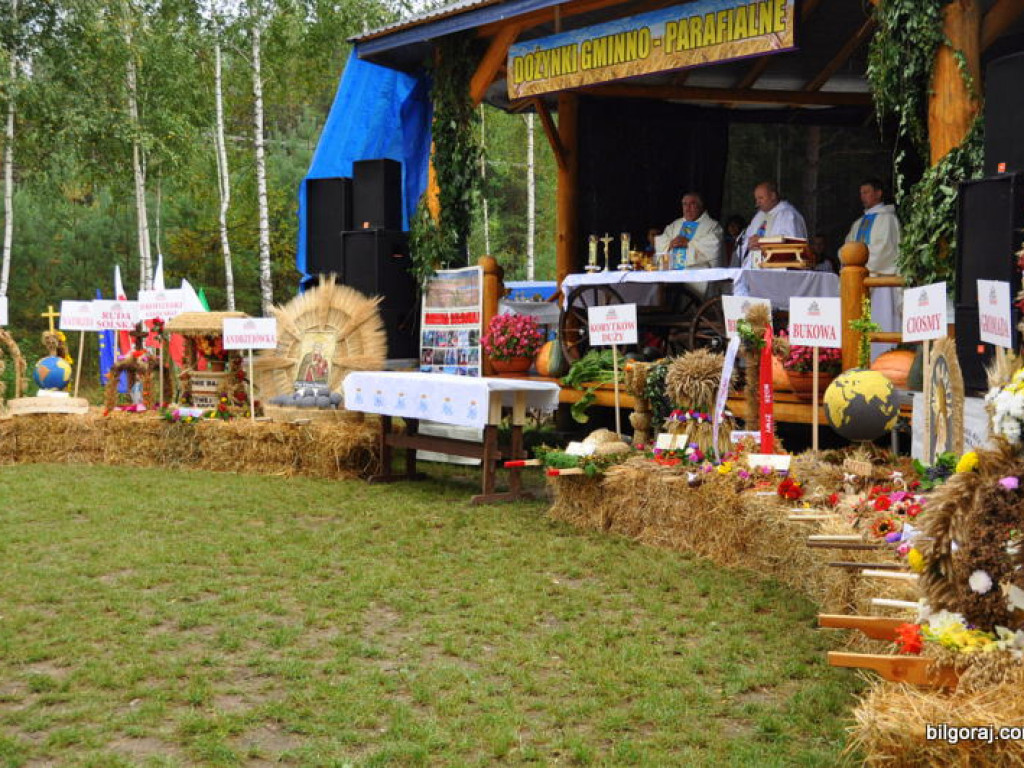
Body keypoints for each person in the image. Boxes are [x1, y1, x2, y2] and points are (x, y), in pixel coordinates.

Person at [844, 178, 901, 358]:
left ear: (878, 193)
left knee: (881, 321)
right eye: (861, 193)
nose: (863, 196)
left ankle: (883, 358)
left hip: (881, 281)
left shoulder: (888, 219)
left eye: (867, 192)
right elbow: (847, 247)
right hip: (859, 282)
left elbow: (886, 249)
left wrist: (862, 267)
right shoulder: (858, 223)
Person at [735, 181, 808, 268]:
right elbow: (745, 241)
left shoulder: (788, 215)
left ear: (773, 196)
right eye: (756, 199)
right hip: (755, 268)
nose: (757, 203)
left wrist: (763, 244)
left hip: (778, 270)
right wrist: (750, 243)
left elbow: (791, 245)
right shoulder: (758, 217)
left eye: (761, 198)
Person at [654, 192, 724, 270]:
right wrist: (670, 244)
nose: (687, 208)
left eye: (692, 204)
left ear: (700, 206)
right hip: (673, 275)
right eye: (685, 204)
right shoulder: (674, 225)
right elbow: (661, 243)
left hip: (699, 277)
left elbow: (714, 246)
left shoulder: (713, 226)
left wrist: (687, 243)